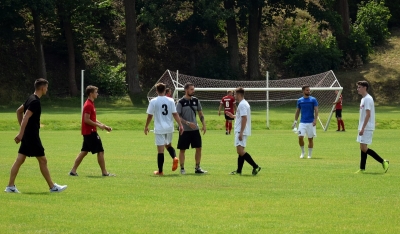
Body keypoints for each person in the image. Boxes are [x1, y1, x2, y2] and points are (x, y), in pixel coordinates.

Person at [4, 78, 67, 193]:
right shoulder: (35, 102)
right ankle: (53, 187)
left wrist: (23, 131)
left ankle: (10, 186)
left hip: (28, 135)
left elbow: (18, 111)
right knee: (43, 160)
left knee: (19, 160)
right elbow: (26, 116)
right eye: (46, 88)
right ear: (42, 88)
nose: (47, 90)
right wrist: (21, 133)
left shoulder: (30, 98)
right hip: (32, 136)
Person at [69, 85, 115, 177]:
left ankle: (73, 171)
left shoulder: (91, 103)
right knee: (100, 151)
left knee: (84, 151)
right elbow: (86, 119)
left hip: (88, 132)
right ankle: (104, 172)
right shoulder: (88, 105)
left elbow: (93, 119)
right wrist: (99, 125)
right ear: (91, 93)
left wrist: (104, 126)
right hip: (90, 132)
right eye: (96, 92)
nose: (97, 94)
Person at [145, 83, 184, 175]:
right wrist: (180, 125)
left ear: (156, 91)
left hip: (159, 128)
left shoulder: (153, 101)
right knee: (168, 145)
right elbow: (175, 114)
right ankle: (174, 157)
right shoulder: (171, 100)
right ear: (165, 90)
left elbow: (150, 115)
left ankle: (160, 171)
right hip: (169, 128)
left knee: (160, 150)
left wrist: (146, 126)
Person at [355, 81, 389, 173]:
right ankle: (362, 168)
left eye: (359, 87)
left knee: (364, 148)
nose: (358, 89)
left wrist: (362, 128)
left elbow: (368, 115)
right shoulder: (363, 99)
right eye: (357, 87)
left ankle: (383, 161)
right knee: (362, 147)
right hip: (363, 127)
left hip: (367, 127)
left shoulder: (368, 99)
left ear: (365, 87)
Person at [226, 87, 261, 176]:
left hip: (241, 130)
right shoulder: (244, 103)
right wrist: (233, 116)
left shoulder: (242, 105)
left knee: (240, 151)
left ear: (239, 95)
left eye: (235, 95)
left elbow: (244, 118)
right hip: (241, 130)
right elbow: (241, 116)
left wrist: (241, 132)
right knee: (240, 151)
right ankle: (238, 171)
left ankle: (255, 166)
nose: (234, 96)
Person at [176, 82, 207, 174]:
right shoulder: (181, 102)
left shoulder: (196, 100)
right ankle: (182, 168)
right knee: (182, 149)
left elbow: (200, 113)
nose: (193, 91)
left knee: (199, 148)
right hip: (184, 130)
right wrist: (187, 123)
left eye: (193, 89)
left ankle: (197, 167)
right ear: (186, 90)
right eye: (191, 89)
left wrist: (204, 124)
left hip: (195, 130)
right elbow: (177, 116)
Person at [292, 85, 319, 159]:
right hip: (302, 122)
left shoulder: (313, 100)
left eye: (309, 90)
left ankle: (309, 154)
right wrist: (295, 121)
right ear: (303, 91)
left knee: (310, 139)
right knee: (300, 137)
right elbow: (297, 111)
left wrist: (315, 120)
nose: (308, 91)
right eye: (307, 90)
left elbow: (316, 110)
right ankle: (303, 152)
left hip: (311, 122)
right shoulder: (300, 100)